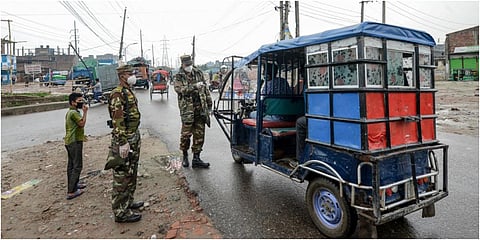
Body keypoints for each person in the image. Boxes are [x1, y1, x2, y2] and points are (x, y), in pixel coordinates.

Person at [105, 64, 143, 223]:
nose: (133, 75)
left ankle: (128, 202)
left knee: (131, 172)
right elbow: (118, 120)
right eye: (130, 73)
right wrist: (122, 142)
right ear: (122, 76)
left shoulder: (128, 91)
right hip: (125, 139)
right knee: (122, 175)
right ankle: (120, 213)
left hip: (133, 137)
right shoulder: (117, 94)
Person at [174, 55, 212, 168]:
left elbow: (206, 90)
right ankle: (185, 156)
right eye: (187, 65)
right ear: (182, 64)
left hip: (200, 109)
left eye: (190, 64)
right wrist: (194, 86)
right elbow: (180, 90)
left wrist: (209, 106)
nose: (189, 67)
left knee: (199, 134)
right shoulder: (179, 76)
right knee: (186, 135)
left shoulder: (198, 73)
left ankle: (196, 158)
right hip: (187, 111)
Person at [64, 92, 88, 200]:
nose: (81, 102)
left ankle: (74, 184)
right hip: (74, 142)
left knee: (71, 165)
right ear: (73, 102)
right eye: (79, 101)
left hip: (69, 141)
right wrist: (85, 112)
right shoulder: (74, 113)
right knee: (77, 166)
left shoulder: (71, 112)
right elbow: (82, 123)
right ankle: (71, 191)